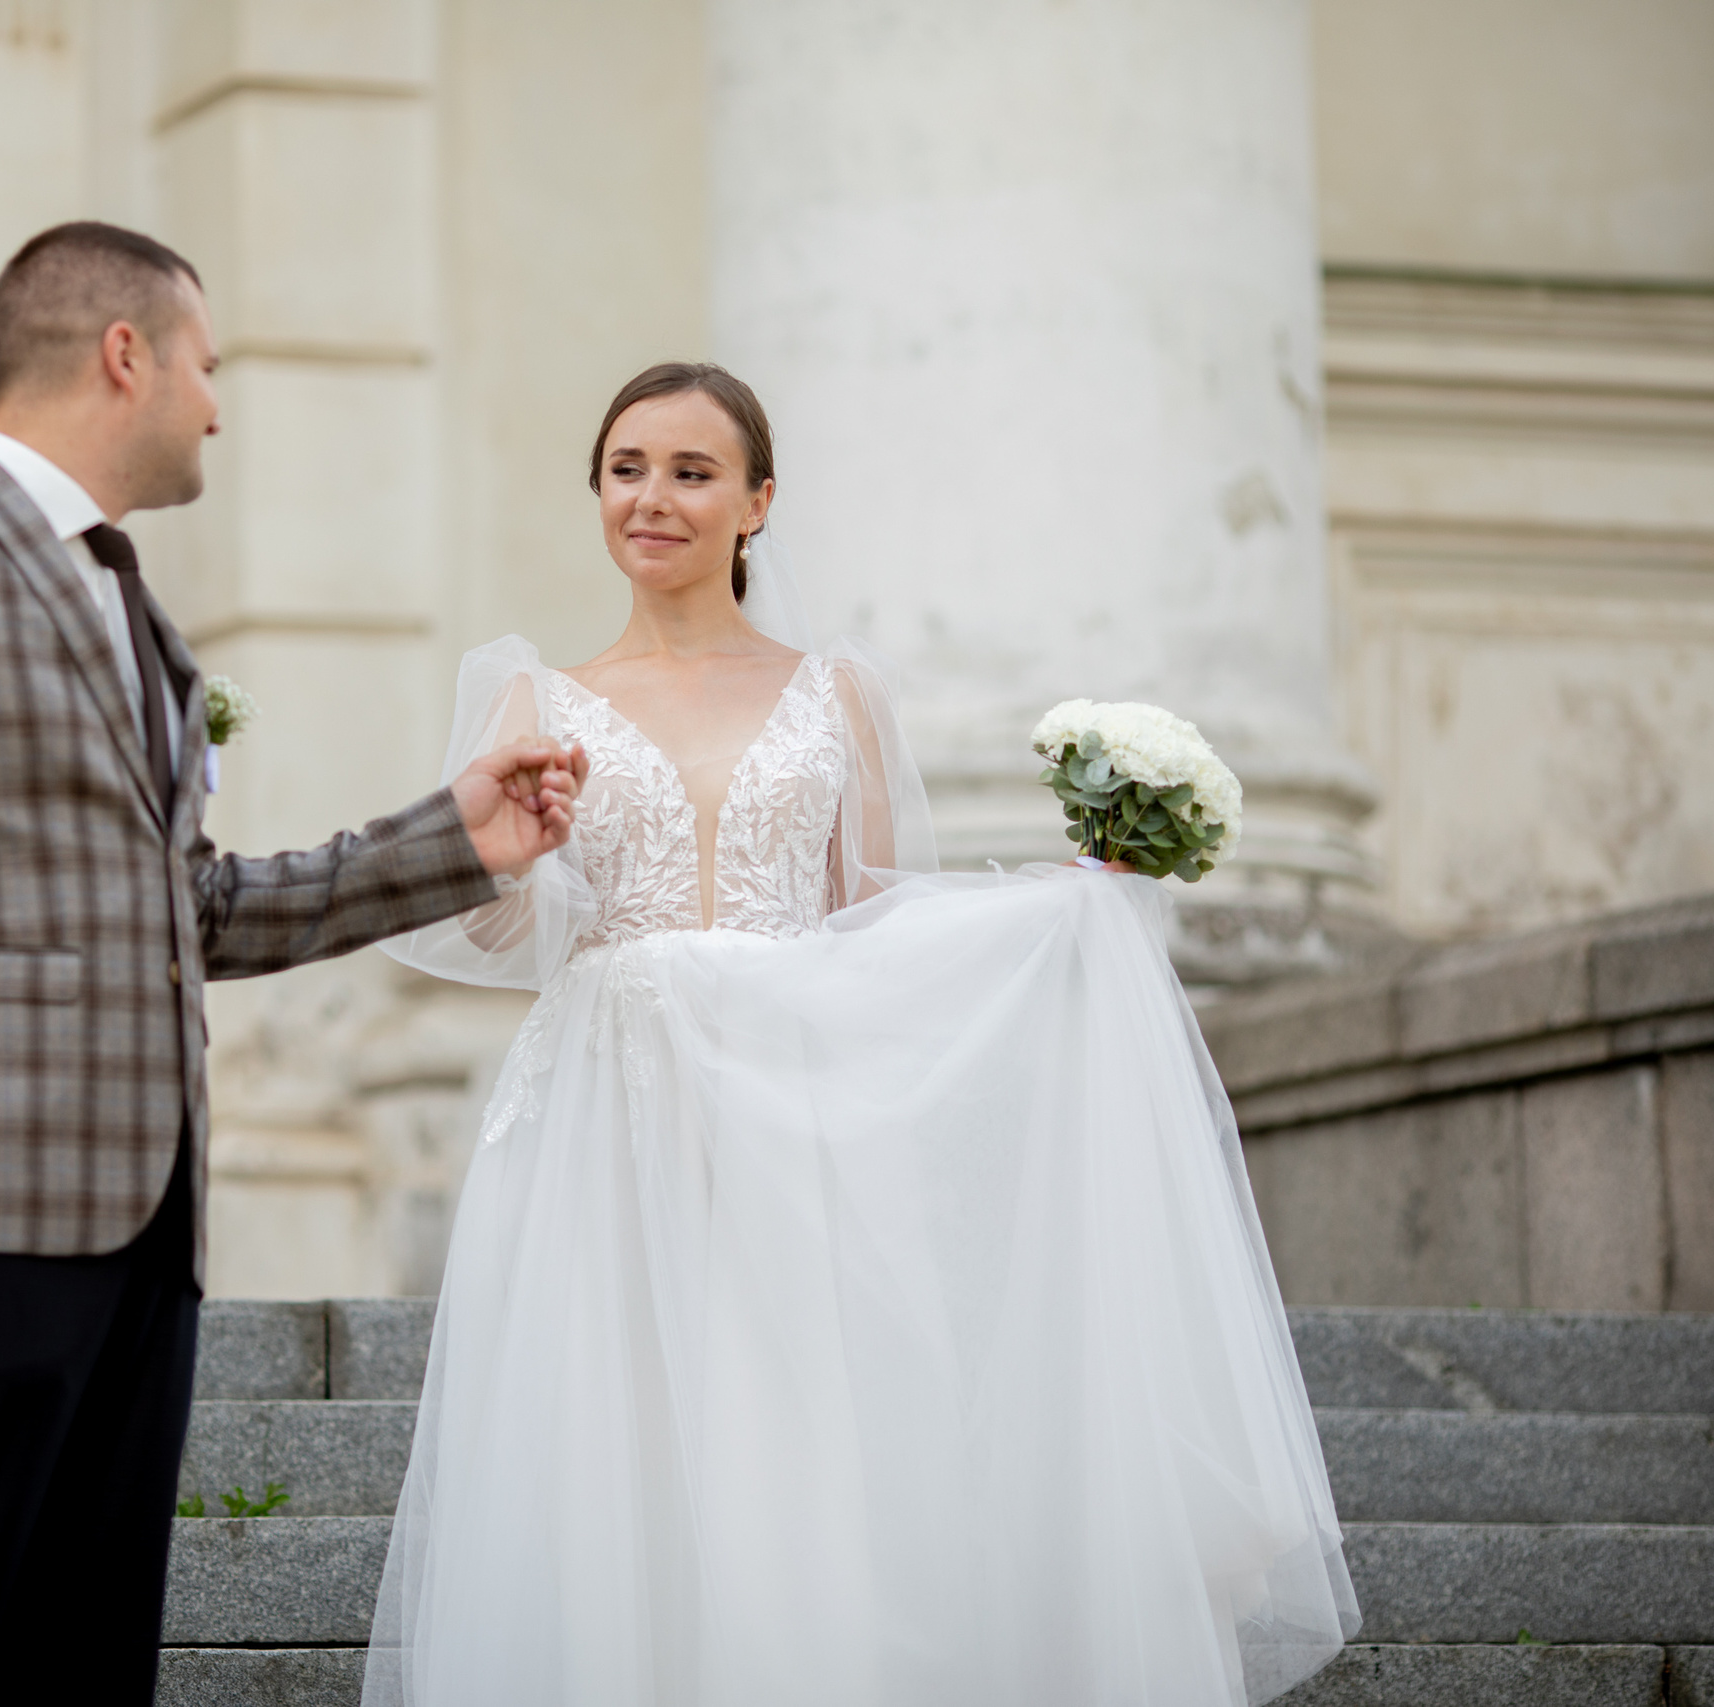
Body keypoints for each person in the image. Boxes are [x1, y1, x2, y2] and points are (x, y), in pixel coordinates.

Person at [364, 362, 1360, 1706]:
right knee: (621, 1467)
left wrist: (1063, 918)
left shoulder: (839, 696)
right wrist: (507, 858)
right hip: (613, 1119)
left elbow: (871, 933)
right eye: (626, 467)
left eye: (692, 472)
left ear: (758, 502)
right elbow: (495, 941)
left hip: (795, 1121)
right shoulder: (535, 703)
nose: (652, 497)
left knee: (801, 1465)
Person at [0, 220, 586, 1707]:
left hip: (145, 1240)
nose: (218, 403)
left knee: (84, 1677)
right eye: (207, 365)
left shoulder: (138, 618)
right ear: (122, 355)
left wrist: (452, 840)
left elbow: (190, 911)